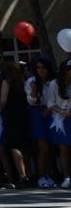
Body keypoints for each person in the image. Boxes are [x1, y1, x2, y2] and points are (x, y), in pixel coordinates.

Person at [0, 61, 31, 187]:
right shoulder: (23, 82)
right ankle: (28, 173)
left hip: (11, 116)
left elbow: (3, 101)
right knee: (24, 145)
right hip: (23, 115)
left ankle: (22, 175)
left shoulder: (6, 82)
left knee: (14, 146)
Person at [27, 56, 56, 188]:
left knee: (50, 148)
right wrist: (33, 89)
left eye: (43, 67)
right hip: (37, 114)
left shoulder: (53, 82)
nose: (41, 70)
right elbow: (30, 100)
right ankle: (41, 176)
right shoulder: (31, 81)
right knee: (43, 148)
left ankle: (48, 175)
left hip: (52, 113)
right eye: (38, 67)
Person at [44, 59, 71, 189]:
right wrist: (62, 111)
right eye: (68, 69)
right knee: (64, 148)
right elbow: (50, 102)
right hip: (61, 119)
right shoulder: (55, 84)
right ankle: (67, 176)